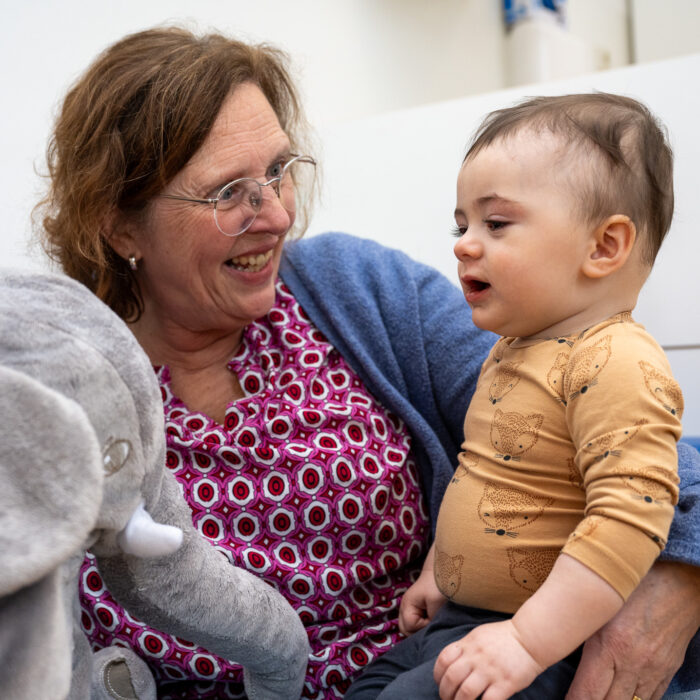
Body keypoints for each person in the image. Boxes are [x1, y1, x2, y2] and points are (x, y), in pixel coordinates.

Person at [34, 27, 700, 700]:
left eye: (278, 172)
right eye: (229, 191)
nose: (273, 214)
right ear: (121, 225)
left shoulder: (360, 291)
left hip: (456, 665)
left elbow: (644, 456)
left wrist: (677, 577)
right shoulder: (56, 392)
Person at [344, 93, 697, 700]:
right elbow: (483, 477)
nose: (463, 244)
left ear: (604, 247)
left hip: (546, 643)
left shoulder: (617, 360)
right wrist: (440, 569)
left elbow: (629, 520)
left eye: (496, 223)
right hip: (464, 621)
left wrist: (527, 644)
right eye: (461, 225)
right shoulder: (513, 350)